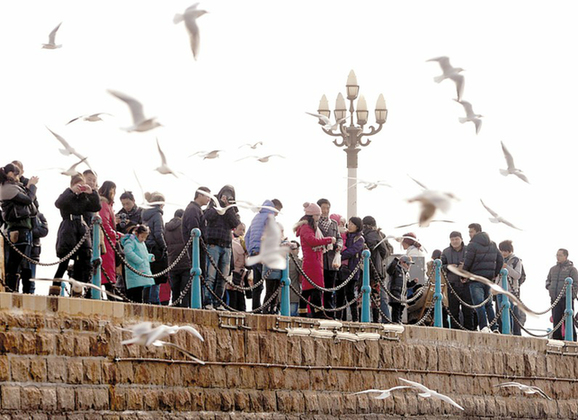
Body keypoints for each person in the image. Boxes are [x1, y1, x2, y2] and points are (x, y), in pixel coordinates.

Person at [52, 173, 101, 296]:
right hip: (68, 229)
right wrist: (71, 191)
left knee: (82, 263)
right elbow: (58, 203)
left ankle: (77, 291)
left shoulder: (84, 198)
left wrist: (92, 193)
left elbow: (96, 206)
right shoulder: (67, 196)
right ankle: (55, 290)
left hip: (82, 230)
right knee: (63, 263)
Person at [0, 163, 38, 292]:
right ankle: (13, 289)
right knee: (16, 262)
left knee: (23, 262)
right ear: (10, 174)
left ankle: (23, 291)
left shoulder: (12, 187)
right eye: (17, 175)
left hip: (23, 227)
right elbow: (28, 199)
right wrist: (32, 186)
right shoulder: (7, 188)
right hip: (18, 228)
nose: (18, 177)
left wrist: (28, 186)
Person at [202, 185, 241, 310]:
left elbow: (235, 224)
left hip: (227, 246)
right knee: (211, 276)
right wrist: (219, 207)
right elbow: (207, 216)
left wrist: (228, 207)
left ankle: (218, 303)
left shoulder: (232, 208)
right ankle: (207, 302)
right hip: (213, 244)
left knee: (223, 278)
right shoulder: (213, 204)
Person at [294, 202, 336, 318]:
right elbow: (312, 241)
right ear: (312, 215)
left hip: (314, 260)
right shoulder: (306, 228)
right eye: (317, 215)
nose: (319, 218)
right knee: (315, 288)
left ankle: (304, 312)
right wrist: (328, 240)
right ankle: (317, 312)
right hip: (312, 261)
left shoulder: (308, 227)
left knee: (309, 289)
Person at [463, 223, 503, 332]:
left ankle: (483, 327)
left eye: (471, 231)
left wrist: (464, 275)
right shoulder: (492, 244)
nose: (469, 234)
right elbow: (500, 260)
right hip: (489, 279)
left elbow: (468, 262)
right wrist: (494, 273)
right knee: (489, 305)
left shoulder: (472, 245)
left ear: (477, 231)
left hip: (475, 279)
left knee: (479, 303)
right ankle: (494, 327)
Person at [245, 198, 283, 310]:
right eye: (278, 210)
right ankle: (268, 309)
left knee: (257, 284)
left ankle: (255, 308)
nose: (277, 214)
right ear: (274, 207)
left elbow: (247, 236)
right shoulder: (269, 217)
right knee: (270, 284)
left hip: (254, 253)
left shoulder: (256, 217)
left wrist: (250, 249)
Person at [442, 231, 475, 330]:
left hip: (466, 284)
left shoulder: (468, 250)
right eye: (452, 239)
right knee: (453, 310)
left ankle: (469, 330)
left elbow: (474, 264)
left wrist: (464, 267)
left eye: (456, 239)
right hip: (452, 284)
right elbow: (441, 266)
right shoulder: (446, 251)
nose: (454, 241)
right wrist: (448, 266)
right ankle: (455, 330)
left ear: (461, 239)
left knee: (468, 310)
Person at [362, 215, 392, 323]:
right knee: (380, 297)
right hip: (379, 269)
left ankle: (366, 319)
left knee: (364, 294)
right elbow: (387, 251)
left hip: (365, 268)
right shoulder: (380, 235)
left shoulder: (362, 234)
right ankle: (385, 319)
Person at [316, 199, 343, 316]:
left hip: (331, 261)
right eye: (323, 208)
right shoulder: (315, 223)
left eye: (327, 208)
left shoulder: (334, 223)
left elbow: (339, 237)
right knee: (318, 287)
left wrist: (339, 245)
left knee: (329, 287)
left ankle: (329, 312)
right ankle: (318, 311)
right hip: (319, 258)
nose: (325, 211)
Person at [335, 217, 365, 322]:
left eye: (352, 224)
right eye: (349, 223)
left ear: (357, 226)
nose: (350, 225)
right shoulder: (345, 236)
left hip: (352, 270)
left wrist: (339, 255)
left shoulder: (359, 239)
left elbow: (352, 251)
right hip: (341, 268)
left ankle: (355, 318)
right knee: (339, 294)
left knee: (350, 294)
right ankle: (339, 317)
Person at [546, 248, 578, 341]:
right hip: (555, 298)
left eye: (560, 255)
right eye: (557, 255)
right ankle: (557, 339)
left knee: (569, 320)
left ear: (565, 256)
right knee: (556, 320)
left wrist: (571, 295)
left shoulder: (572, 270)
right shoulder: (553, 269)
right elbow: (548, 280)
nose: (558, 257)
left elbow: (576, 283)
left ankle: (572, 339)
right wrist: (549, 287)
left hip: (566, 299)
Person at [142, 192, 168, 305]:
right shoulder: (157, 215)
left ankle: (146, 300)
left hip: (146, 247)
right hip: (155, 248)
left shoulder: (145, 214)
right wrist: (164, 247)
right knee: (156, 277)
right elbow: (158, 234)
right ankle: (154, 301)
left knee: (148, 276)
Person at [121, 225, 155, 303]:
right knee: (135, 294)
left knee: (139, 293)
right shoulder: (131, 241)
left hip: (140, 271)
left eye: (145, 237)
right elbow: (128, 251)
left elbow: (143, 254)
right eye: (142, 237)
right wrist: (139, 261)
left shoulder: (141, 243)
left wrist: (150, 257)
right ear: (137, 234)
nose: (143, 239)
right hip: (135, 271)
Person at [165, 209, 191, 307]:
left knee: (175, 291)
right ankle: (184, 311)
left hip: (172, 262)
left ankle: (174, 311)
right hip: (185, 261)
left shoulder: (166, 227)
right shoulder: (184, 226)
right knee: (185, 291)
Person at [498, 240, 525, 335]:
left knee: (511, 312)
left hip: (511, 291)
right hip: (499, 289)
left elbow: (518, 275)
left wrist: (507, 268)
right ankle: (505, 331)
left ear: (510, 250)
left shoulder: (516, 260)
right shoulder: (499, 259)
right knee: (501, 313)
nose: (503, 253)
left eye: (505, 251)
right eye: (501, 251)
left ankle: (510, 332)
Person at [98, 181, 119, 291]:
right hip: (107, 243)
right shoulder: (105, 205)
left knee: (107, 274)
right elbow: (105, 224)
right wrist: (115, 234)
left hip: (108, 242)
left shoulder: (105, 205)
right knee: (108, 274)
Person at [387, 255, 413, 323]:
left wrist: (413, 283)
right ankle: (396, 321)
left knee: (401, 309)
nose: (409, 266)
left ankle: (399, 321)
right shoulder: (396, 269)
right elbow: (389, 270)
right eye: (408, 264)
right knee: (396, 309)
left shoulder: (406, 274)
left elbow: (407, 284)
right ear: (402, 263)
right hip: (396, 293)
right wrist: (395, 261)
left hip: (403, 295)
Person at [229, 222, 248, 311]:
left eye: (243, 230)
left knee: (240, 303)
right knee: (234, 301)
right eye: (240, 229)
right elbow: (232, 263)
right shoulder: (235, 245)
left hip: (241, 277)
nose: (242, 232)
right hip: (234, 276)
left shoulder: (243, 245)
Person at [288, 240, 303, 316]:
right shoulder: (297, 261)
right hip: (294, 294)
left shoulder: (283, 260)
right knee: (293, 317)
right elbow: (303, 272)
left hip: (281, 295)